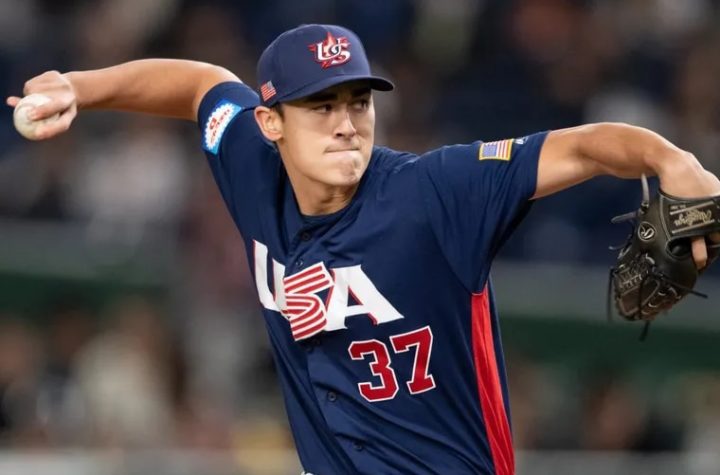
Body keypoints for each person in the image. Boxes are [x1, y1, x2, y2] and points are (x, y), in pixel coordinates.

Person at [7, 23, 720, 475]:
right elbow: (200, 86)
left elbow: (586, 147)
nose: (346, 123)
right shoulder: (251, 165)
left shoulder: (436, 192)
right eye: (321, 105)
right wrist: (80, 87)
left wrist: (672, 159)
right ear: (271, 123)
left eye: (358, 102)